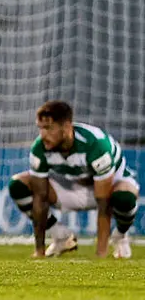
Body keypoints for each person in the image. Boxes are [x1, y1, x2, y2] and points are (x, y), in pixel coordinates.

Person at [8, 100, 139, 259]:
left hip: (109, 190)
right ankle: (61, 236)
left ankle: (120, 235)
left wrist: (101, 255)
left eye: (49, 128)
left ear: (67, 127)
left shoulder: (96, 145)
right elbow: (40, 198)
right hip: (73, 187)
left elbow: (104, 203)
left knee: (124, 197)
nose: (43, 134)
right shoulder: (39, 148)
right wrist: (39, 251)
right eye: (40, 128)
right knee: (18, 185)